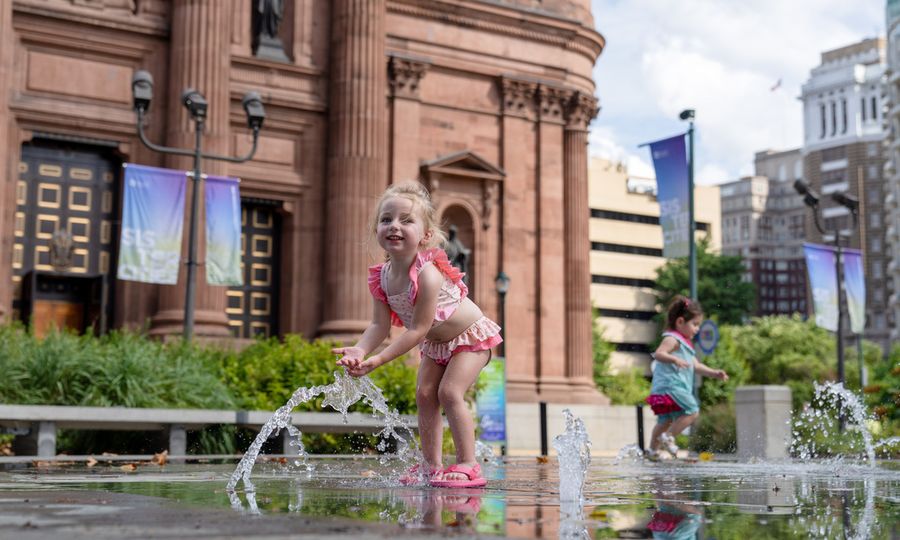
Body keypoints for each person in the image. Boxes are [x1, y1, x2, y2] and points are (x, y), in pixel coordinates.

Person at [334, 181, 502, 488]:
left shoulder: (427, 273)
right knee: (425, 396)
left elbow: (418, 328)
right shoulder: (382, 276)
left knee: (449, 393)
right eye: (386, 219)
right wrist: (360, 350)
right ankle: (431, 466)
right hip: (437, 345)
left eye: (406, 220)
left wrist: (379, 360)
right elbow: (379, 326)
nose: (394, 226)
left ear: (425, 235)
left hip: (470, 338)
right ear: (376, 230)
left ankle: (468, 464)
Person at [645, 296, 728, 459]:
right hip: (672, 386)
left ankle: (652, 451)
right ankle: (669, 438)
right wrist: (674, 359)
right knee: (692, 410)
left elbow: (695, 366)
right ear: (680, 322)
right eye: (695, 324)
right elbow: (659, 354)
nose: (697, 329)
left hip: (668, 387)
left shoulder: (685, 344)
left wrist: (714, 373)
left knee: (665, 420)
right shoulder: (672, 339)